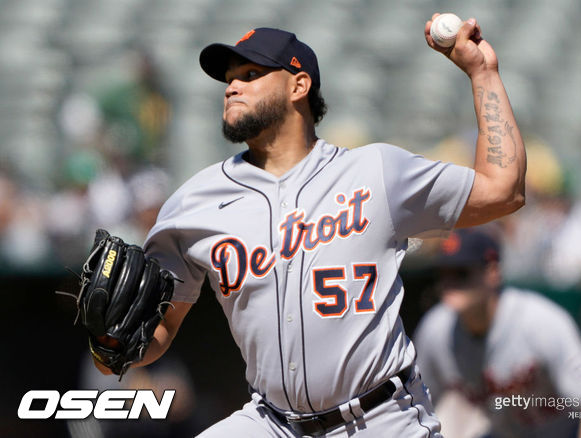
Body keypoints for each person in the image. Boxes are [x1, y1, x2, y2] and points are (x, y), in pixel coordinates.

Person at [92, 14, 527, 437]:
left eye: (250, 73)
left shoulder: (376, 172)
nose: (232, 87)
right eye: (229, 78)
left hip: (380, 418)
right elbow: (158, 332)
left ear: (299, 85)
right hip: (272, 422)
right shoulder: (192, 203)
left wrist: (482, 72)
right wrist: (109, 347)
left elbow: (503, 190)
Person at [413, 228, 581, 438]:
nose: (450, 283)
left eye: (461, 273)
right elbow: (416, 407)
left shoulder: (538, 322)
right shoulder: (435, 332)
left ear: (492, 272)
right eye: (443, 274)